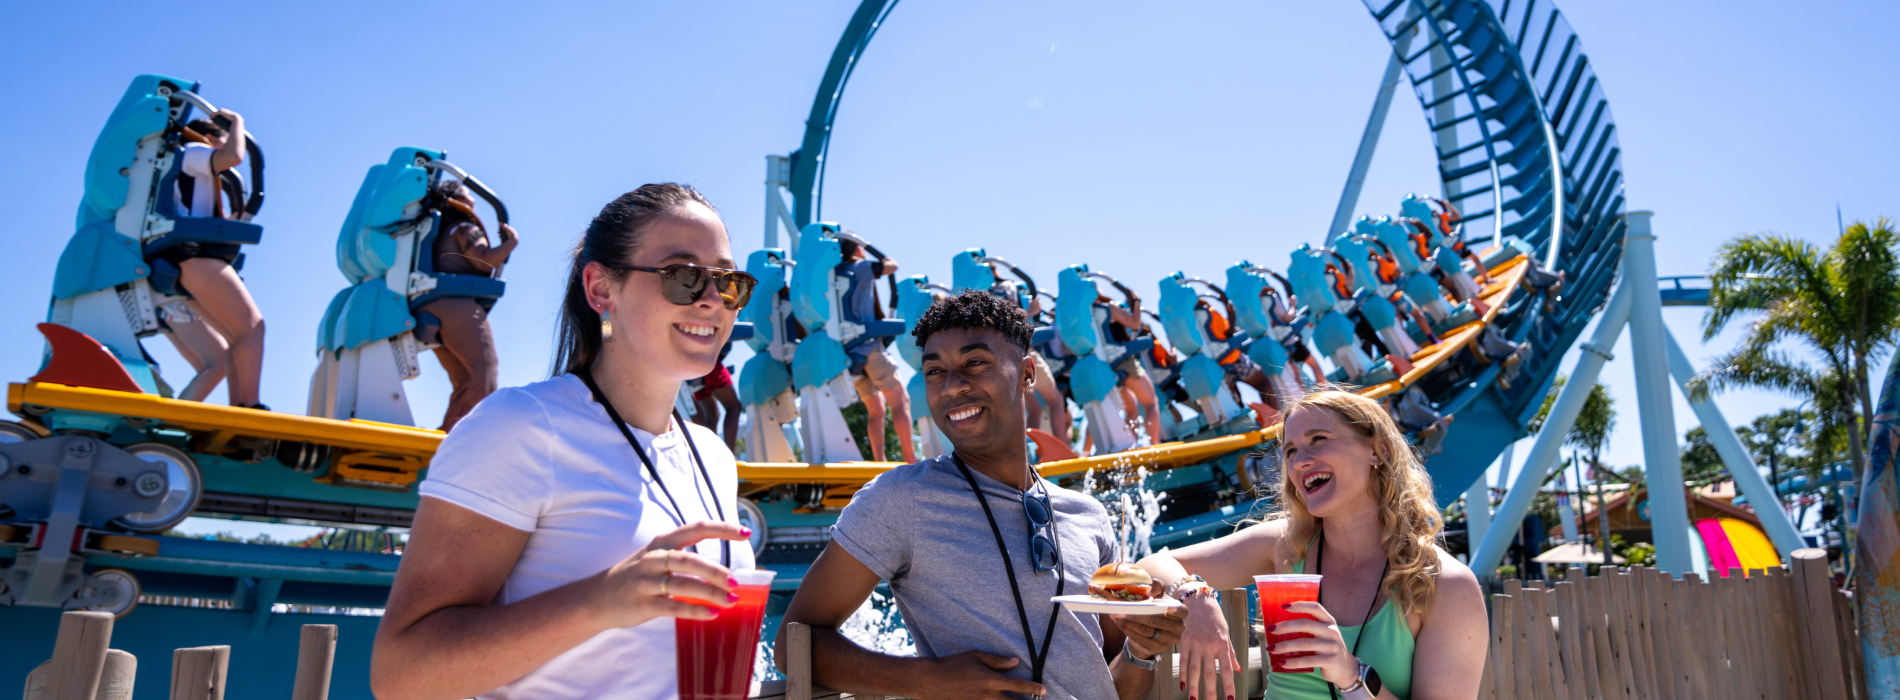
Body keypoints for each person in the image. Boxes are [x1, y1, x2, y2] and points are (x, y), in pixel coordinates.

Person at [372, 183, 760, 700]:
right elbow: (402, 674)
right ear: (601, 289)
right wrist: (600, 602)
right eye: (684, 276)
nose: (713, 300)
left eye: (728, 282)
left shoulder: (711, 456)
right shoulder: (520, 427)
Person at [778, 290, 1187, 700]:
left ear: (1027, 373)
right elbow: (793, 644)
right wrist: (926, 679)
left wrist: (1142, 650)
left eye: (975, 363)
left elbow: (1111, 685)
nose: (952, 387)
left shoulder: (1088, 514)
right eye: (934, 371)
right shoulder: (901, 499)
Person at [1136, 390, 1488, 700]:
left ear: (1377, 450)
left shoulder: (1445, 585)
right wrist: (1195, 596)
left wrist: (1351, 676)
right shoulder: (1287, 546)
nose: (1299, 460)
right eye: (1290, 451)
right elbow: (1151, 565)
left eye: (1318, 439)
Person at [163, 113, 267, 409]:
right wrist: (237, 122)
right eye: (220, 137)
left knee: (237, 337)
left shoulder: (192, 169)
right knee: (252, 328)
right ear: (208, 138)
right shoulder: (193, 152)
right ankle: (249, 406)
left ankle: (242, 407)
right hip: (194, 254)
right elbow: (233, 156)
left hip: (188, 253)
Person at [420, 180, 520, 431]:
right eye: (468, 195)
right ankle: (477, 437)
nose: (473, 201)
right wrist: (510, 244)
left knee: (464, 381)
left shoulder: (438, 232)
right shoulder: (464, 227)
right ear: (458, 199)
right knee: (485, 371)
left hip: (430, 307)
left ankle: (444, 440)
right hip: (457, 308)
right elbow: (484, 261)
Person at [837, 236, 917, 462]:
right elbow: (892, 265)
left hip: (850, 352)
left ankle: (879, 462)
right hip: (870, 347)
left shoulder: (834, 274)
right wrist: (870, 248)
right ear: (858, 250)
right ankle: (911, 459)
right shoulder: (861, 267)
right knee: (900, 400)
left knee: (876, 408)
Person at [690, 342, 742, 449]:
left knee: (712, 416)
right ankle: (729, 456)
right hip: (707, 361)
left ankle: (709, 457)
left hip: (690, 367)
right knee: (734, 407)